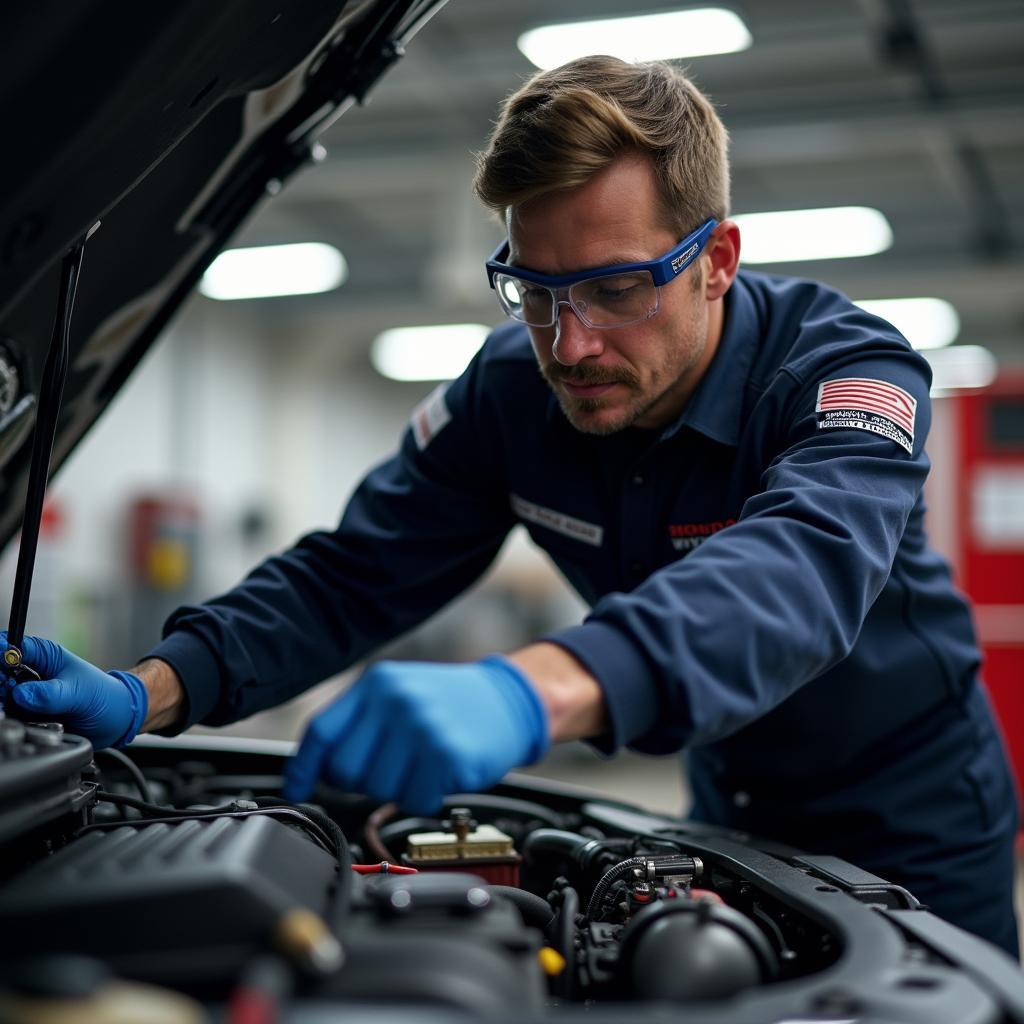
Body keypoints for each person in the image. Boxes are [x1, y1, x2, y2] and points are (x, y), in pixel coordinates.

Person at [0, 56, 1018, 956]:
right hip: (729, 801)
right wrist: (155, 688)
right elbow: (358, 570)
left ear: (715, 261)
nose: (569, 345)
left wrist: (536, 688)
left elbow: (799, 568)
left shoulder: (842, 368)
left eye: (616, 288)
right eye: (534, 292)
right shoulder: (509, 391)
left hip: (912, 811)